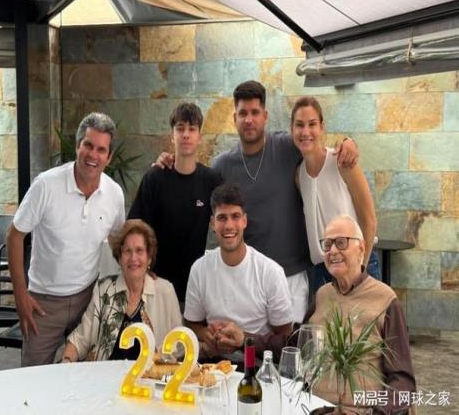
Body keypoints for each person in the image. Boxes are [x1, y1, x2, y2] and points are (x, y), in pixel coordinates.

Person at [156, 81, 358, 322]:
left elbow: (316, 144)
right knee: (249, 342)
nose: (249, 119)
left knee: (289, 341)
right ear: (235, 118)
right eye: (243, 113)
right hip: (248, 280)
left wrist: (348, 142)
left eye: (254, 112)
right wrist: (168, 162)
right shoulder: (222, 166)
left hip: (291, 276)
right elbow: (194, 187)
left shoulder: (287, 147)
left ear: (265, 116)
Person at [213, 215, 416, 414]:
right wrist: (244, 339)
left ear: (361, 248)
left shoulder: (385, 300)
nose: (333, 251)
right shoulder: (322, 295)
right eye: (327, 245)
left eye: (341, 242)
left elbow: (403, 384)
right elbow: (293, 346)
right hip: (312, 407)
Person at [7, 112, 126, 366]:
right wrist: (20, 295)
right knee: (33, 379)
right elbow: (15, 235)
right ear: (77, 146)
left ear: (109, 157)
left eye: (101, 150)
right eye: (88, 145)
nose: (93, 155)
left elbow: (120, 242)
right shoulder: (46, 185)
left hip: (88, 300)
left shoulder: (114, 194)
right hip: (43, 303)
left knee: (82, 379)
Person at [184, 183, 293, 358]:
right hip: (214, 364)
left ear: (244, 221)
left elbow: (285, 338)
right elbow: (192, 324)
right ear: (212, 223)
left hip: (256, 365)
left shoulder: (270, 272)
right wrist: (208, 335)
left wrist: (243, 339)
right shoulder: (200, 269)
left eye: (235, 216)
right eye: (222, 218)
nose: (229, 225)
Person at [128, 103, 222, 301]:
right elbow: (134, 227)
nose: (186, 134)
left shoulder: (211, 181)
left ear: (200, 137)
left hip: (194, 287)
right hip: (155, 285)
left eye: (192, 129)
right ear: (172, 135)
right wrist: (144, 268)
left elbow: (226, 222)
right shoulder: (154, 178)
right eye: (180, 128)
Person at [291, 96, 379, 293]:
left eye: (312, 124)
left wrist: (360, 270)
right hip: (321, 269)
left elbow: (370, 221)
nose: (305, 132)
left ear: (322, 127)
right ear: (292, 129)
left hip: (355, 264)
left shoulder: (342, 163)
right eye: (299, 125)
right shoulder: (299, 175)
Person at [61, 219, 182, 362]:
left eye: (139, 250)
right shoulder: (104, 290)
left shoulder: (165, 291)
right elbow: (80, 340)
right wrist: (66, 361)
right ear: (119, 258)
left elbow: (180, 346)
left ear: (149, 258)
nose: (133, 258)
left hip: (150, 374)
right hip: (105, 374)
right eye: (127, 251)